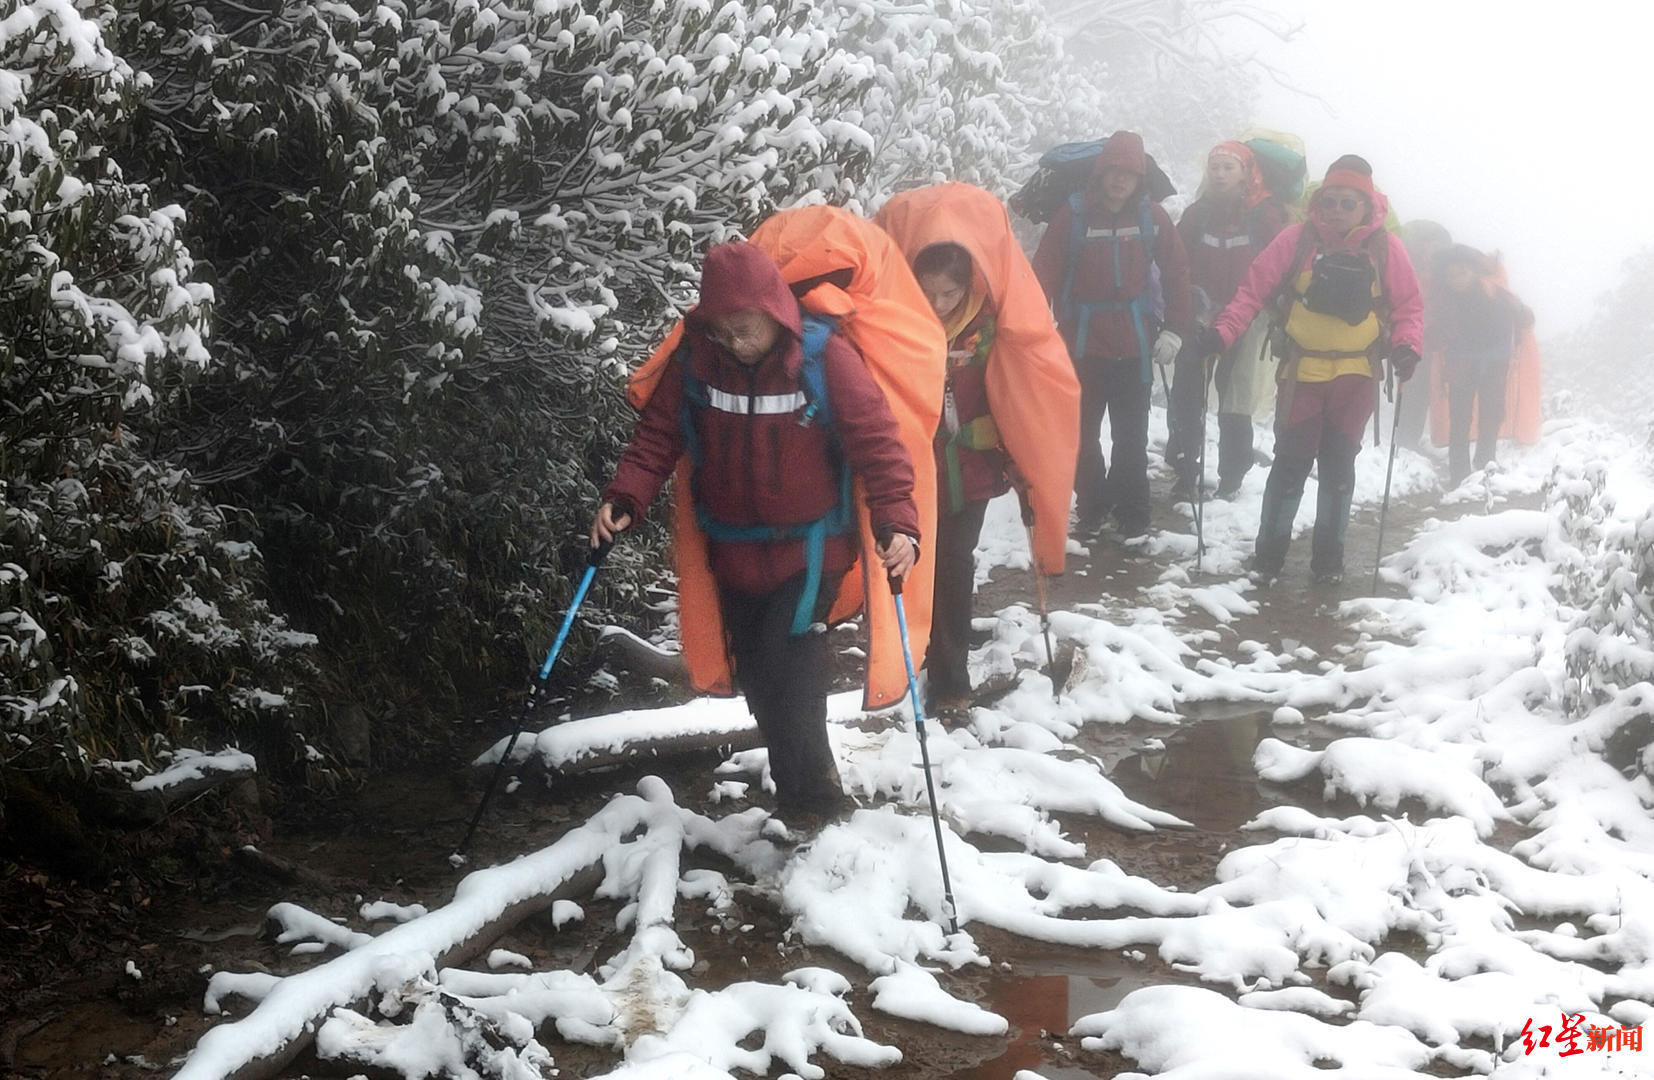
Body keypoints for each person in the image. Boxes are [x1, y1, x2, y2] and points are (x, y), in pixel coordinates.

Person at [591, 241, 920, 823]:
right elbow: (657, 437)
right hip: (732, 550)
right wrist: (626, 497)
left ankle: (817, 807)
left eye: (743, 329)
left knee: (792, 670)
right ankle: (802, 799)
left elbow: (878, 442)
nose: (735, 343)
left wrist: (897, 520)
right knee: (760, 680)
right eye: (722, 331)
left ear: (774, 312)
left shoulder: (824, 358)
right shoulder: (697, 361)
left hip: (811, 549)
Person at [876, 183, 1081, 721]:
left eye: (949, 293)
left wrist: (1013, 445)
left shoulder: (991, 324)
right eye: (928, 292)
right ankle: (906, 660)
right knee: (912, 562)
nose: (939, 304)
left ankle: (950, 682)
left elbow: (1019, 389)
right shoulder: (892, 320)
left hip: (971, 467)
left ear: (968, 283)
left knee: (954, 563)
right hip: (909, 472)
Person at [1190, 154, 1423, 586]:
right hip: (1302, 373)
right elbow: (1251, 292)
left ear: (1366, 206)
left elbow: (1409, 306)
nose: (1336, 210)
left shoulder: (1385, 248)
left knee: (1338, 466)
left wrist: (1407, 347)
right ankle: (1269, 558)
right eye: (1329, 201)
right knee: (1291, 463)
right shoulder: (1296, 240)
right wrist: (1223, 333)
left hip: (1356, 377)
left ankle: (1328, 563)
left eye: (1347, 203)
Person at [1032, 130, 1193, 539]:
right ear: (1101, 172)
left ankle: (1133, 513)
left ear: (1140, 178)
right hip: (1081, 344)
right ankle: (1093, 506)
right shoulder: (1072, 216)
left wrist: (1176, 330)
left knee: (1131, 437)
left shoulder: (1152, 217)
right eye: (1115, 171)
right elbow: (1041, 277)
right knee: (1081, 435)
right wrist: (1031, 335)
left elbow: (1177, 273)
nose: (1121, 180)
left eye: (1130, 173)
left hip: (1136, 345)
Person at [1168, 141, 1288, 500]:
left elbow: (1281, 264)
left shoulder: (1264, 215)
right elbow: (1175, 260)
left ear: (1245, 173)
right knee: (1187, 393)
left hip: (1249, 316)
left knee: (1235, 395)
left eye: (1228, 167)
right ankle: (1184, 468)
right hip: (1200, 313)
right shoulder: (1197, 213)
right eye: (1215, 167)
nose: (1219, 174)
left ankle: (1232, 476)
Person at [1432, 244, 1535, 486]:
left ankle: (1485, 463)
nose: (1457, 279)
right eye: (1451, 275)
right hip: (1464, 363)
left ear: (1474, 272)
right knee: (1460, 418)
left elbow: (1526, 317)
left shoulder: (1495, 292)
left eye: (1462, 272)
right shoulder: (1445, 300)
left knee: (1492, 414)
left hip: (1492, 362)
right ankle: (1460, 474)